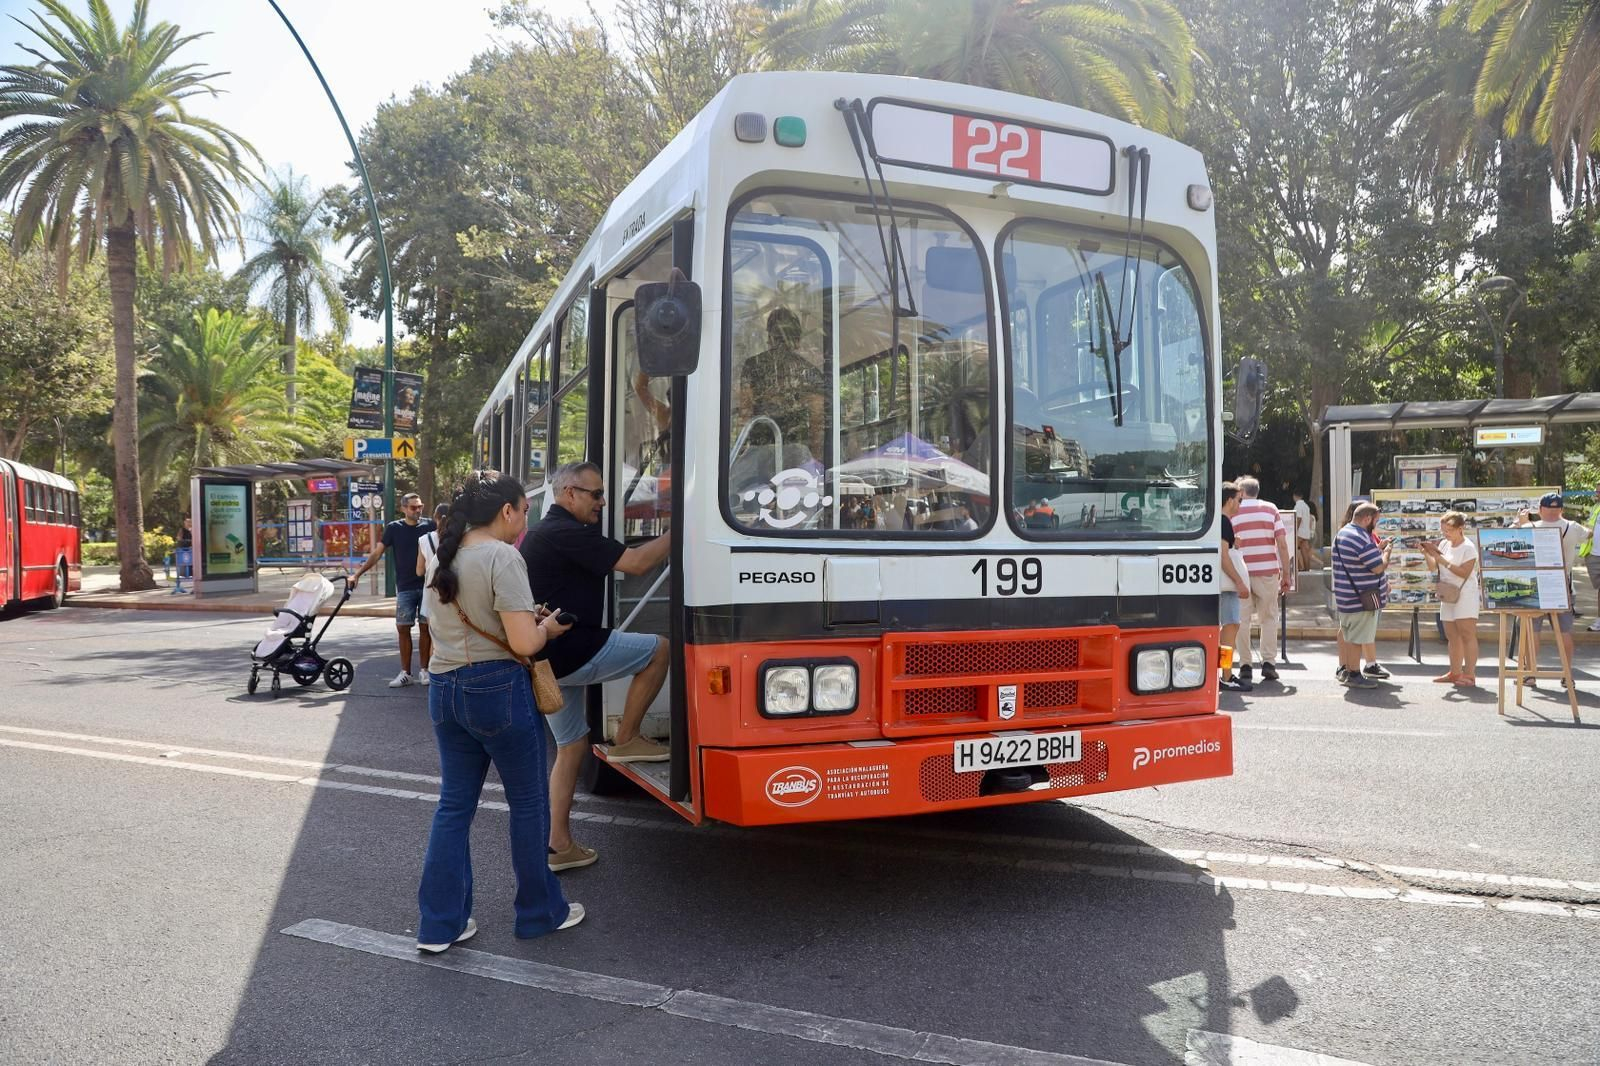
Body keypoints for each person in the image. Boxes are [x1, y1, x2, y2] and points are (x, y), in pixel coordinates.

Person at [415, 470, 580, 952]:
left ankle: (440, 925)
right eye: (524, 511)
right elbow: (525, 641)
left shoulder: (442, 559)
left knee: (454, 806)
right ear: (506, 510)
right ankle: (540, 913)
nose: (525, 520)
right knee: (528, 805)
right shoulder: (502, 556)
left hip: (444, 689)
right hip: (497, 688)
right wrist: (547, 629)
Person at [521, 461, 672, 872]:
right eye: (595, 494)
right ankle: (626, 738)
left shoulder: (544, 532)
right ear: (569, 493)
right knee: (659, 649)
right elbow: (639, 564)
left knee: (571, 748)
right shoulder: (566, 533)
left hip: (545, 661)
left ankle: (559, 846)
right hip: (572, 649)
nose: (603, 503)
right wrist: (684, 530)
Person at [351, 492, 437, 688]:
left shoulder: (429, 526)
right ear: (404, 509)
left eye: (420, 506)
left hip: (427, 586)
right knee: (403, 628)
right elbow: (377, 553)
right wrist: (357, 574)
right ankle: (406, 673)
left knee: (426, 628)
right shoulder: (394, 529)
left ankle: (425, 671)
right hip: (405, 587)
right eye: (413, 507)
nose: (418, 510)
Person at [734, 307, 827, 474]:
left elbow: (745, 416)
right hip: (798, 456)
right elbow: (817, 423)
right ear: (798, 339)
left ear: (769, 337)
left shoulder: (752, 366)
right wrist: (816, 460)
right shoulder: (812, 373)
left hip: (760, 455)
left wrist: (740, 452)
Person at [1515, 493, 1590, 688]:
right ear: (1561, 510)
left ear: (1540, 509)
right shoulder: (1572, 527)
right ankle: (1567, 674)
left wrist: (1521, 521)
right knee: (1564, 632)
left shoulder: (1527, 527)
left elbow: (1508, 538)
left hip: (1533, 586)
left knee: (1533, 631)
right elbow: (1588, 534)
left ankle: (1530, 674)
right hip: (1562, 586)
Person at [1232, 477, 1291, 683]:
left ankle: (1245, 665)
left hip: (1240, 573)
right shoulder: (1270, 508)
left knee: (1242, 620)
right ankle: (1268, 663)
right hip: (1267, 572)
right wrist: (1286, 574)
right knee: (1269, 618)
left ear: (1240, 491)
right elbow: (1282, 544)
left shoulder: (1233, 510)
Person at [1332, 503, 1391, 690]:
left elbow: (1361, 560)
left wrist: (1377, 550)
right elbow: (1378, 567)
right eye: (1376, 521)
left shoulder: (1343, 533)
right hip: (1361, 598)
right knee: (1357, 639)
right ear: (1367, 519)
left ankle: (1349, 671)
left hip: (1346, 596)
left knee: (1350, 636)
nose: (1376, 525)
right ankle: (1355, 674)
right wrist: (1387, 553)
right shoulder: (1361, 538)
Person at [1421, 511, 1480, 686]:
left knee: (1467, 633)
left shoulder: (1468, 547)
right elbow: (1433, 567)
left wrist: (1442, 560)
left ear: (1460, 529)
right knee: (1451, 635)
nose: (1445, 534)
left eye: (1449, 530)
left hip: (1465, 593)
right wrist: (1427, 553)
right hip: (1448, 593)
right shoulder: (1444, 544)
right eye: (1444, 530)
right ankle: (1455, 672)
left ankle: (1469, 674)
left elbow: (1464, 572)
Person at [1218, 482, 1252, 692]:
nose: (1240, 504)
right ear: (1230, 500)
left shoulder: (1219, 521)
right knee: (1230, 628)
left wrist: (1234, 546)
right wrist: (1239, 581)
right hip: (1227, 587)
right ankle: (1226, 674)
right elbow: (1223, 556)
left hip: (1222, 586)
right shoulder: (1224, 522)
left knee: (1229, 628)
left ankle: (1225, 673)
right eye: (1239, 500)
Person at [1293, 491, 1314, 571]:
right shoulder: (1306, 506)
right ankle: (1307, 569)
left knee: (1293, 550)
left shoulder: (1298, 506)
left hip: (1299, 532)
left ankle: (1299, 567)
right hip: (1306, 532)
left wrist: (1295, 530)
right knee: (1304, 551)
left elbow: (1298, 518)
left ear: (1294, 496)